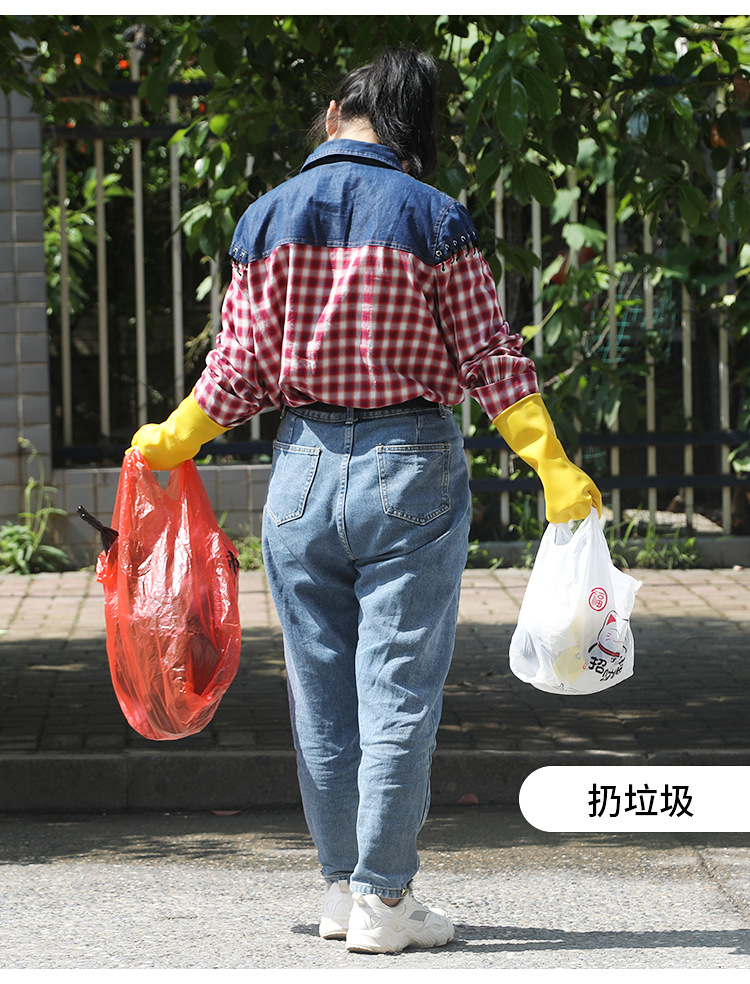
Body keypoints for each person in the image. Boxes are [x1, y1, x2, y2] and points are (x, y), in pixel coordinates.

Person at [131, 46, 601, 954]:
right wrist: (549, 462)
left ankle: (341, 889)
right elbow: (488, 356)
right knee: (397, 690)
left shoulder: (263, 219)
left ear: (337, 112)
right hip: (410, 464)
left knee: (319, 693)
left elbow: (237, 370)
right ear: (411, 129)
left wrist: (175, 437)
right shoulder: (434, 215)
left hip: (302, 470)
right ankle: (386, 899)